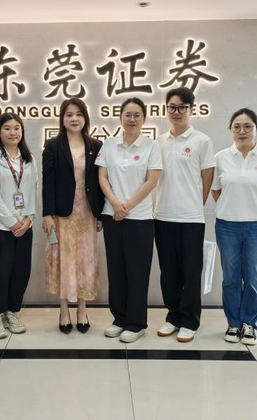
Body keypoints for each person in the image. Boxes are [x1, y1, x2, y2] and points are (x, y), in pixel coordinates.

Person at [211, 108, 257, 346]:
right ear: (230, 130)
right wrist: (230, 209)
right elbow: (216, 191)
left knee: (253, 278)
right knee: (230, 277)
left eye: (248, 126)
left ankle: (249, 324)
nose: (242, 131)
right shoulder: (220, 158)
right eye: (237, 127)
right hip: (227, 226)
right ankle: (233, 323)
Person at [96, 98, 163, 343]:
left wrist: (128, 206)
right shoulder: (109, 144)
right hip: (112, 216)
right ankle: (119, 318)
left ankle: (136, 323)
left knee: (137, 272)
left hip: (140, 218)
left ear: (144, 119)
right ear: (120, 118)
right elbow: (102, 177)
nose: (132, 119)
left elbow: (152, 181)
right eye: (127, 114)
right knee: (116, 270)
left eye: (136, 115)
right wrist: (115, 204)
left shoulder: (151, 146)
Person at [154, 87, 215, 343]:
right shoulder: (159, 141)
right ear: (166, 109)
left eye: (182, 107)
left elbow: (207, 178)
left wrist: (194, 205)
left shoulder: (202, 141)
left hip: (191, 218)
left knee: (190, 272)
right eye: (172, 107)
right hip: (162, 215)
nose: (176, 112)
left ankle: (190, 321)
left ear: (191, 109)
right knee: (168, 272)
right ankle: (173, 317)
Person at [42, 98, 104, 334]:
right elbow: (47, 182)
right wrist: (47, 214)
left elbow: (100, 182)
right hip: (62, 215)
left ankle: (82, 309)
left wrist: (100, 214)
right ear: (62, 119)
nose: (74, 119)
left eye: (78, 114)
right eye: (69, 114)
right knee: (64, 260)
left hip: (87, 213)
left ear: (85, 118)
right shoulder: (53, 145)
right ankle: (64, 310)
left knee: (85, 260)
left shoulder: (96, 145)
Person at [0, 113, 37, 339]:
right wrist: (12, 222)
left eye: (17, 128)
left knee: (20, 272)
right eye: (7, 128)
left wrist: (29, 218)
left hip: (24, 225)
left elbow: (33, 189)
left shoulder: (29, 158)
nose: (13, 132)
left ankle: (12, 312)